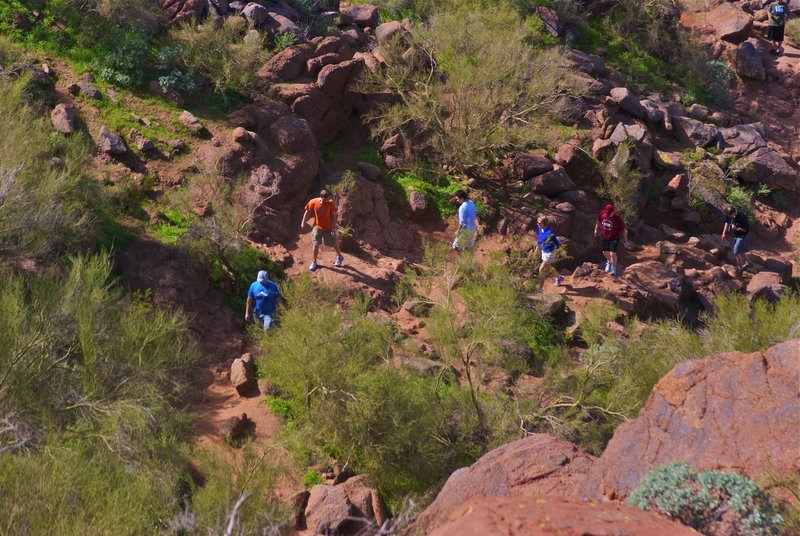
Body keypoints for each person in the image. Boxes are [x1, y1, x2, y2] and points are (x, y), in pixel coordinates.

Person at [301, 189, 343, 271]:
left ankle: (339, 256)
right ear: (322, 198)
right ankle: (314, 262)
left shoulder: (330, 204)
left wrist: (333, 228)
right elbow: (307, 211)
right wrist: (303, 222)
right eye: (328, 198)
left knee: (333, 243)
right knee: (315, 244)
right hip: (317, 227)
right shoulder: (313, 202)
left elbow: (334, 216)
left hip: (328, 227)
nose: (329, 200)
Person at [593, 203, 629, 277]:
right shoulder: (602, 214)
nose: (608, 215)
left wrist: (626, 241)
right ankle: (609, 262)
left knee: (613, 253)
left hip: (614, 237)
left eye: (610, 213)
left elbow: (624, 230)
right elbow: (598, 221)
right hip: (604, 236)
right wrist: (596, 229)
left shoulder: (617, 218)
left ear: (613, 212)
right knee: (604, 252)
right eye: (607, 213)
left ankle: (613, 269)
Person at [533, 215, 565, 290]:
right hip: (544, 250)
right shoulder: (540, 229)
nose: (537, 224)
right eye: (537, 222)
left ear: (544, 224)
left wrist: (560, 251)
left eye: (539, 223)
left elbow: (556, 242)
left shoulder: (549, 233)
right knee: (549, 267)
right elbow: (540, 239)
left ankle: (540, 288)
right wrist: (537, 249)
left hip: (549, 252)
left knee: (541, 269)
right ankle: (559, 277)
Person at [722, 206, 751, 275]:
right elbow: (727, 222)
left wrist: (737, 228)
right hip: (735, 235)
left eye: (734, 215)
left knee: (736, 252)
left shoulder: (742, 217)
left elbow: (746, 229)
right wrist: (723, 232)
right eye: (731, 216)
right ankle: (749, 263)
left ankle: (740, 268)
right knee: (739, 251)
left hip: (742, 235)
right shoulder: (729, 213)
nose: (733, 217)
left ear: (735, 211)